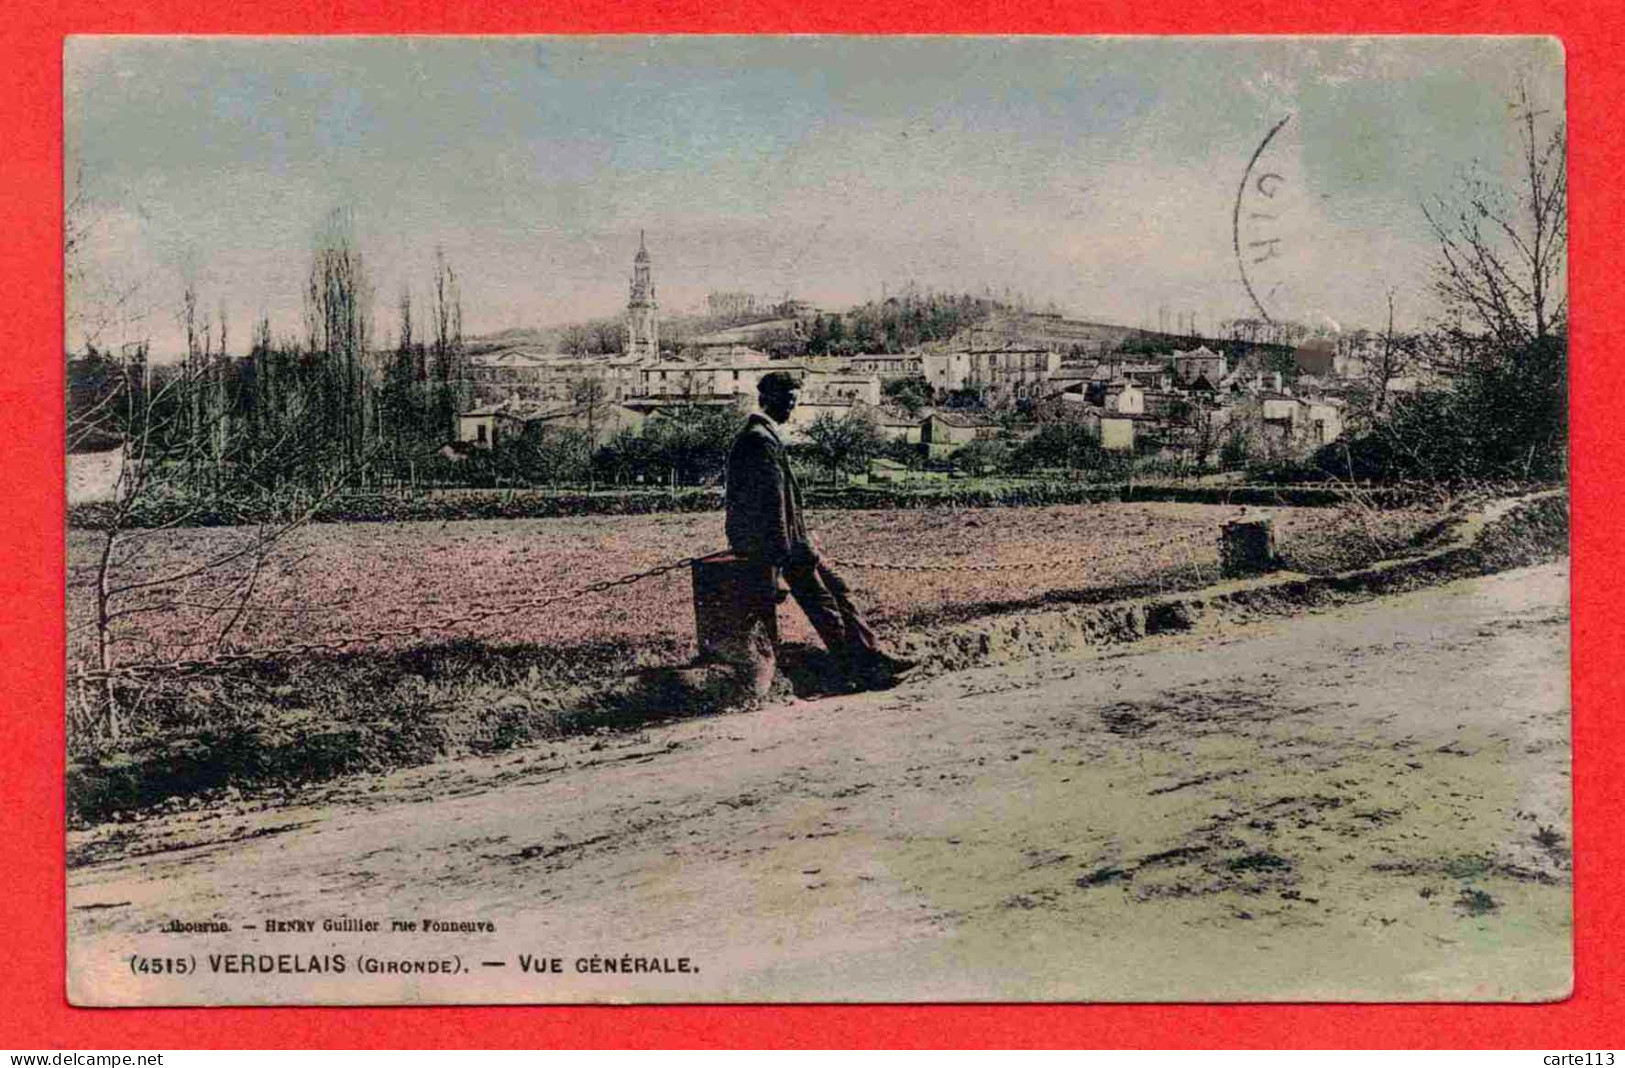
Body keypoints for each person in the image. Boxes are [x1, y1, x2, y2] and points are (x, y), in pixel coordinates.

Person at [724, 371, 918, 692]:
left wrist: (803, 535)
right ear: (767, 400)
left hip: (791, 539)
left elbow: (782, 501)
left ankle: (873, 657)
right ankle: (855, 673)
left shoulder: (763, 435)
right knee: (825, 606)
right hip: (778, 545)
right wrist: (782, 555)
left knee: (839, 592)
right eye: (787, 402)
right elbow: (768, 505)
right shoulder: (758, 439)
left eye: (794, 402)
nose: (791, 409)